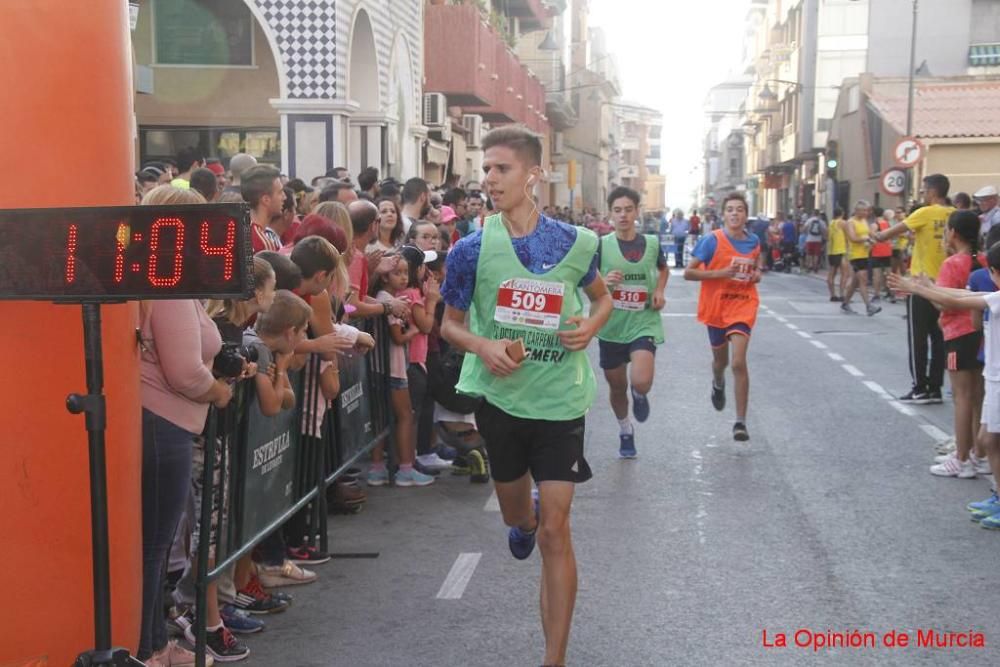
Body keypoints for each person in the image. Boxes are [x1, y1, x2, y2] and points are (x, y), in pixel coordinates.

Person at [440, 125, 612, 667]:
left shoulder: (576, 243)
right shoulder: (470, 249)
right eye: (486, 168)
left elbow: (601, 299)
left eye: (501, 168)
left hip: (561, 402)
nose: (489, 178)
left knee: (558, 529)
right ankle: (522, 520)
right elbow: (448, 324)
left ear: (533, 173)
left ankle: (554, 658)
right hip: (501, 402)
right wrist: (484, 345)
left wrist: (590, 327)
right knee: (522, 519)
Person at [137, 185, 233, 666]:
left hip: (167, 425)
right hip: (162, 424)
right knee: (153, 547)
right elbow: (185, 372)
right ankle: (149, 648)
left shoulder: (168, 277)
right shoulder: (165, 282)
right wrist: (220, 390)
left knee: (156, 545)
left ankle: (155, 640)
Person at [888, 239, 1000, 528]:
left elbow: (958, 301)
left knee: (990, 441)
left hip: (999, 380)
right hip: (993, 377)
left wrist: (918, 289)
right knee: (988, 440)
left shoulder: (997, 299)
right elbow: (961, 293)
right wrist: (929, 287)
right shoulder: (995, 295)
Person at [684, 192, 762, 442]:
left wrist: (756, 275)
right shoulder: (712, 240)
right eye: (730, 209)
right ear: (724, 214)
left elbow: (757, 266)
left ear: (745, 214)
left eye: (740, 209)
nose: (735, 213)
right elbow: (689, 273)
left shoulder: (754, 242)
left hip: (742, 304)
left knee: (738, 362)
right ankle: (718, 381)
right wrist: (721, 273)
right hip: (716, 308)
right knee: (721, 362)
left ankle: (740, 422)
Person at [596, 186, 667, 459]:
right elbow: (586, 282)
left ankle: (640, 394)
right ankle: (625, 429)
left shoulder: (651, 244)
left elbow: (663, 270)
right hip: (611, 325)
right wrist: (603, 283)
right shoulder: (601, 245)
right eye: (617, 210)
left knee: (641, 381)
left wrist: (659, 291)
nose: (623, 215)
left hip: (643, 321)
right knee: (616, 386)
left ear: (637, 211)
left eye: (628, 209)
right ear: (610, 214)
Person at [873, 174, 955, 403]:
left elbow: (888, 234)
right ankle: (935, 388)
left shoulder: (924, 213)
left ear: (932, 191)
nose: (923, 194)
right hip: (947, 286)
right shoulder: (954, 214)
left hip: (920, 284)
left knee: (917, 338)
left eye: (924, 190)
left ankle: (919, 386)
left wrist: (876, 236)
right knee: (939, 338)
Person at [368, 252, 437, 487]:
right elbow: (398, 337)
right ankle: (405, 469)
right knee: (405, 415)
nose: (403, 278)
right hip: (393, 369)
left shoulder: (384, 297)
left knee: (381, 419)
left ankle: (378, 468)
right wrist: (414, 332)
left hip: (383, 367)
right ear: (384, 275)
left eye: (405, 272)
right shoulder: (389, 300)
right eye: (397, 272)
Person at [841, 201, 881, 316]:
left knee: (855, 281)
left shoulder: (864, 221)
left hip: (864, 253)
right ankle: (869, 306)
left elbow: (869, 233)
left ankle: (845, 303)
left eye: (867, 210)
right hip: (855, 255)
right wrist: (866, 239)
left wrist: (878, 237)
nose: (866, 213)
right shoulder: (850, 222)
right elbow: (853, 238)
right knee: (863, 279)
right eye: (863, 210)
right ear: (857, 210)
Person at [241, 165, 285, 253]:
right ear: (266, 200)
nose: (284, 197)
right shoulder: (263, 243)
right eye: (280, 192)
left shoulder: (241, 229)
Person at [826, 207, 847, 301]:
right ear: (842, 213)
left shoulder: (831, 223)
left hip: (831, 251)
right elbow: (849, 235)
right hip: (841, 250)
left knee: (832, 274)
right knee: (844, 273)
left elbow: (827, 236)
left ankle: (832, 295)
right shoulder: (842, 223)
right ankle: (842, 294)